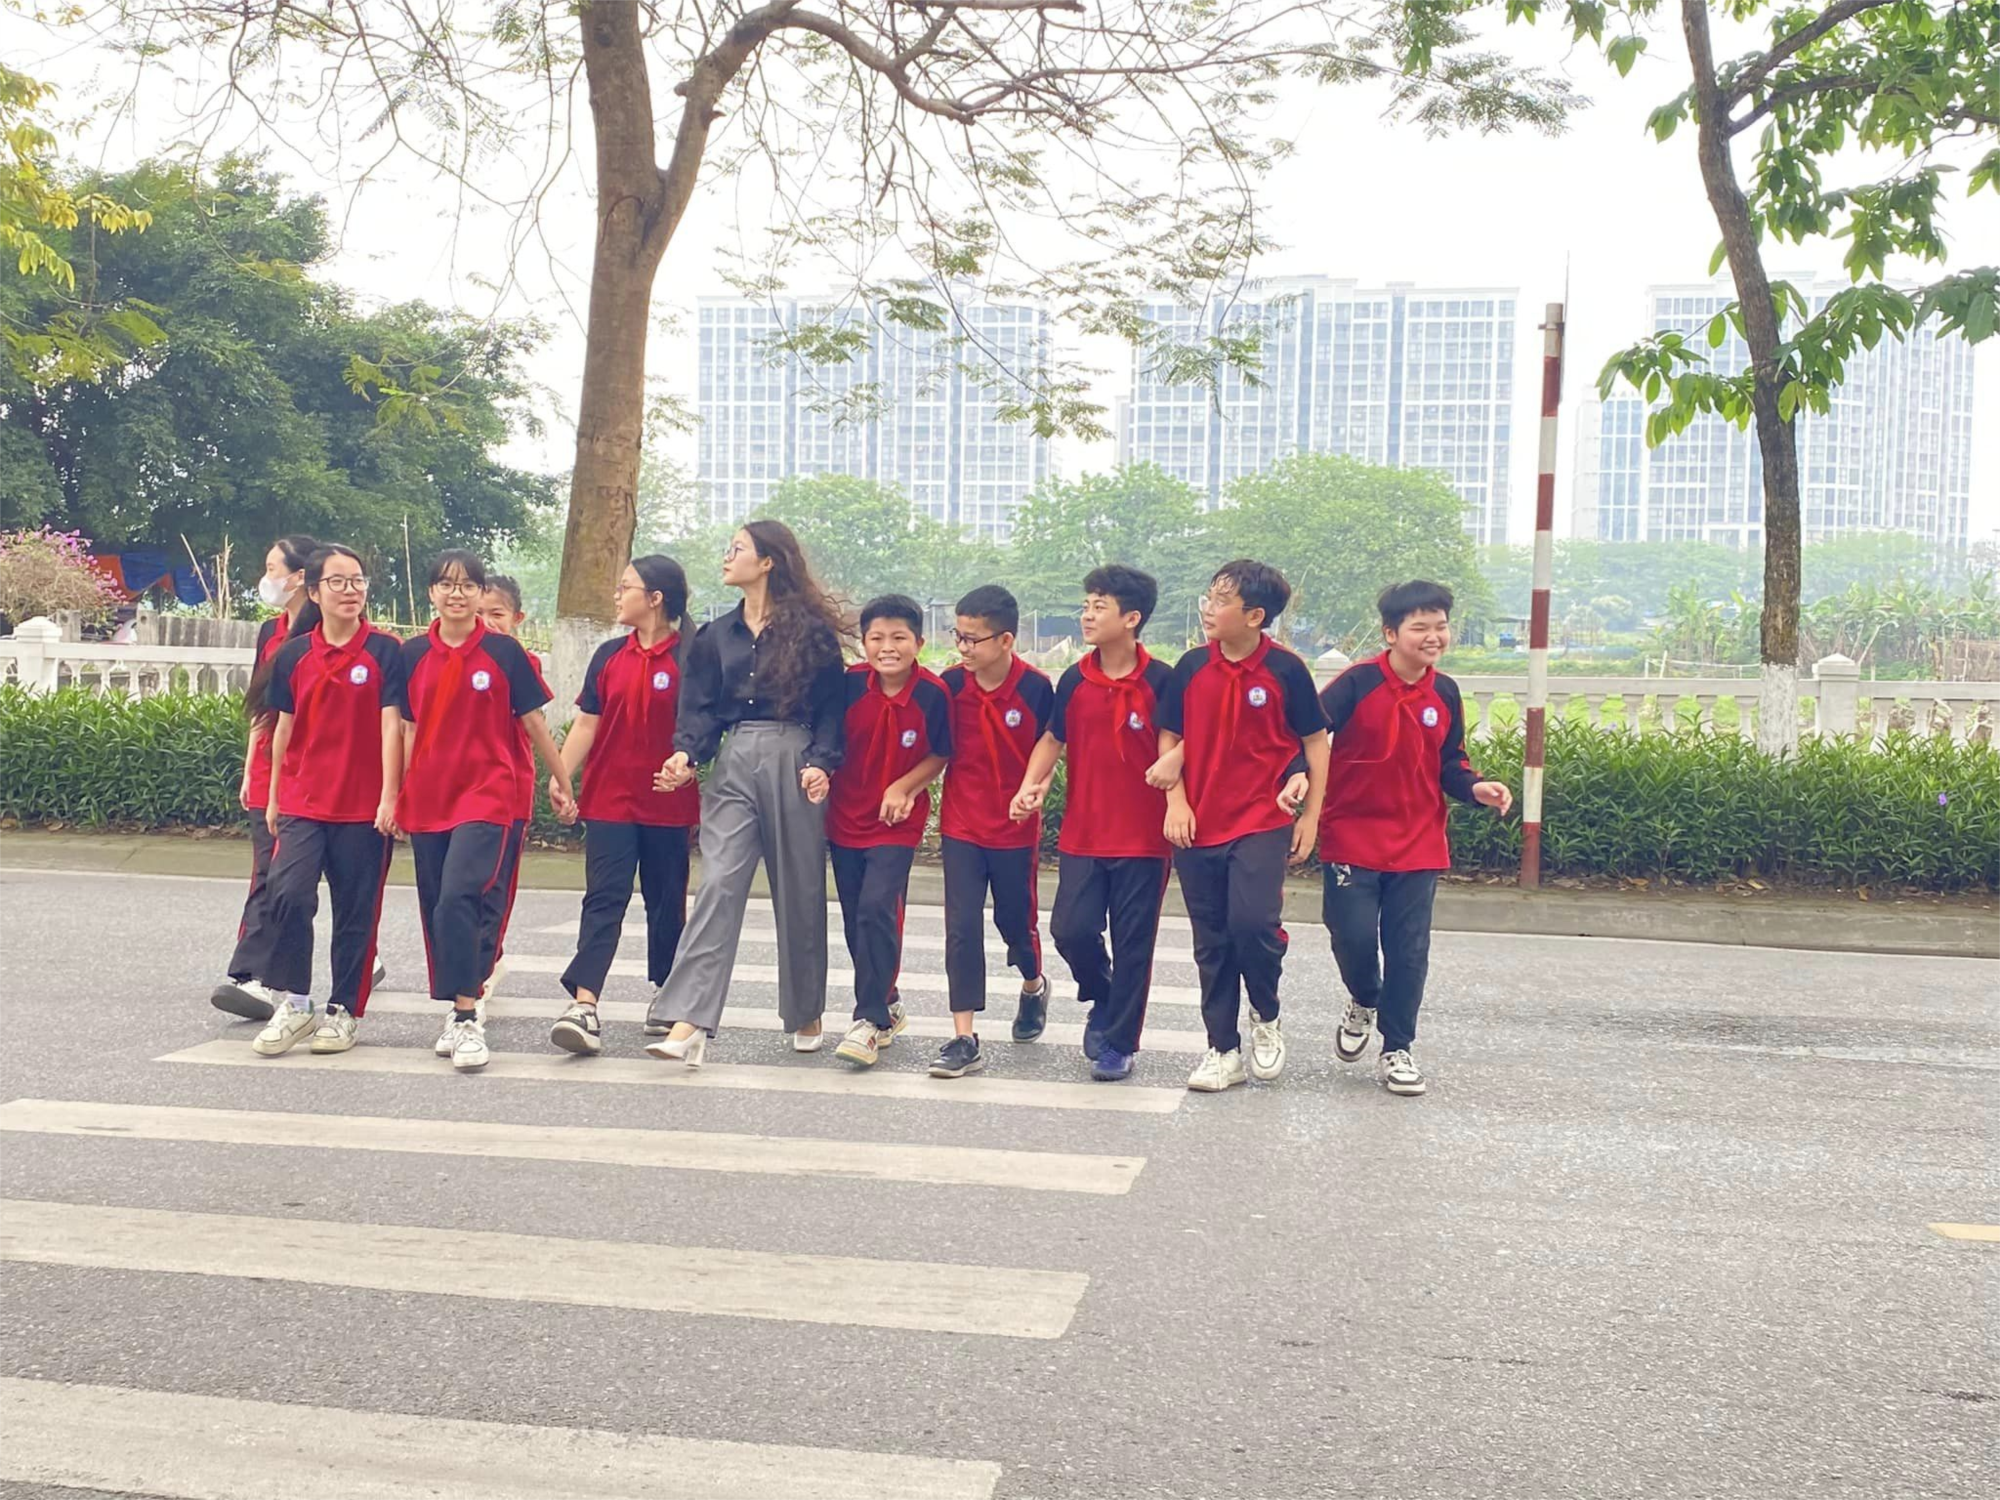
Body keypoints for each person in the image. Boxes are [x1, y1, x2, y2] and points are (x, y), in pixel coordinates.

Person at [644, 521, 849, 1069]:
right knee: (717, 884)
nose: (726, 556)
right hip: (734, 760)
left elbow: (833, 709)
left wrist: (821, 763)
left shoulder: (812, 635)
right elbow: (699, 711)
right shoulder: (715, 637)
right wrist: (686, 756)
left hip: (795, 756)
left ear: (767, 562)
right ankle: (689, 1019)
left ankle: (805, 1009)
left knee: (799, 889)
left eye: (737, 549)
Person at [1318, 580, 1513, 1097]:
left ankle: (1397, 1048)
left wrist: (1476, 788)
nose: (1433, 637)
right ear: (1390, 633)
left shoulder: (1444, 692)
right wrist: (1298, 787)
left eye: (1440, 626)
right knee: (1353, 938)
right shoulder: (1356, 684)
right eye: (1420, 627)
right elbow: (1308, 735)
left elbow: (1451, 761)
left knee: (1408, 952)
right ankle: (1364, 998)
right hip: (1351, 837)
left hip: (1418, 843)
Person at [1153, 559, 1329, 1093]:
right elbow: (1170, 737)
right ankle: (1222, 1050)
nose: (1209, 609)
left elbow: (1314, 742)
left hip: (1260, 819)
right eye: (1208, 597)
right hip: (1197, 823)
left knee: (1253, 924)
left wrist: (1311, 816)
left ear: (1255, 616)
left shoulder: (1286, 670)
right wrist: (1176, 804)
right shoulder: (1191, 667)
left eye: (1221, 601)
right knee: (1211, 939)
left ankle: (1266, 1015)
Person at [398, 550, 575, 1072]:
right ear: (431, 593)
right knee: (438, 903)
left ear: (479, 594)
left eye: (467, 585)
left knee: (461, 893)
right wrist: (395, 794)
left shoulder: (503, 652)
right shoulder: (411, 654)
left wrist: (562, 780)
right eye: (446, 584)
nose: (456, 593)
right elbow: (404, 729)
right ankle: (457, 1005)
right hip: (429, 796)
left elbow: (533, 722)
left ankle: (466, 1014)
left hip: (488, 793)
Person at [1011, 565, 1174, 1082]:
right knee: (1071, 930)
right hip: (1084, 833)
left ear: (1132, 618)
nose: (1086, 615)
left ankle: (1119, 1043)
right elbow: (1053, 737)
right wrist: (1031, 785)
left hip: (1144, 839)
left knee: (1133, 943)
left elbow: (1184, 744)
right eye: (1086, 605)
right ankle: (1103, 995)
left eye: (1099, 607)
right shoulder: (1075, 678)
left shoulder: (1162, 680)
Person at [243, 544, 404, 1058]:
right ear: (313, 591)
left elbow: (392, 726)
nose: (350, 590)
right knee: (288, 893)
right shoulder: (293, 654)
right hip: (303, 801)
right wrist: (273, 796)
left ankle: (344, 1010)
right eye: (337, 581)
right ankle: (296, 1003)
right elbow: (282, 729)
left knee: (356, 911)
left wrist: (390, 796)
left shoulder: (386, 651)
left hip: (362, 808)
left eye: (357, 581)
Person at [547, 555, 701, 1056]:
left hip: (667, 804)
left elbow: (703, 729)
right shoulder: (609, 655)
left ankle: (667, 990)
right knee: (603, 898)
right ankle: (584, 1004)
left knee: (666, 900)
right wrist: (561, 777)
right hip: (609, 801)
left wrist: (689, 765)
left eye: (626, 587)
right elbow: (587, 722)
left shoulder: (692, 658)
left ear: (655, 598)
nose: (617, 595)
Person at [929, 584, 1055, 1081]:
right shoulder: (950, 685)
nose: (962, 648)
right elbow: (937, 750)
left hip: (1014, 830)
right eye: (958, 636)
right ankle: (965, 1037)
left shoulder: (1037, 689)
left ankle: (1033, 984)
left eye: (972, 639)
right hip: (962, 824)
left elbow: (1051, 748)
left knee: (1014, 921)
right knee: (961, 928)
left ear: (1005, 640)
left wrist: (1034, 791)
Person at [829, 594, 952, 1068]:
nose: (887, 647)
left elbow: (940, 752)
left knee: (877, 907)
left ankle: (869, 1019)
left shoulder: (932, 694)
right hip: (844, 818)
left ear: (918, 642)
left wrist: (904, 787)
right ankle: (888, 998)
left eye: (899, 638)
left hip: (895, 824)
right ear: (864, 643)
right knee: (855, 918)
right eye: (876, 638)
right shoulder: (847, 685)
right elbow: (827, 740)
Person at [211, 534, 319, 1021]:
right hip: (267, 768)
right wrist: (249, 766)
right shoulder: (269, 633)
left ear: (300, 577)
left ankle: (361, 957)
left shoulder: (324, 634)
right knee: (268, 873)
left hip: (311, 770)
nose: (267, 577)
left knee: (301, 879)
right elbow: (260, 707)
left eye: (274, 568)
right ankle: (250, 977)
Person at [476, 572, 547, 1003]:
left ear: (517, 618)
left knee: (496, 883)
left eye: (496, 614)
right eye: (479, 613)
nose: (486, 623)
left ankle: (485, 964)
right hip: (459, 791)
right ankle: (479, 959)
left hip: (509, 789)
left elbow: (533, 725)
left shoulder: (523, 663)